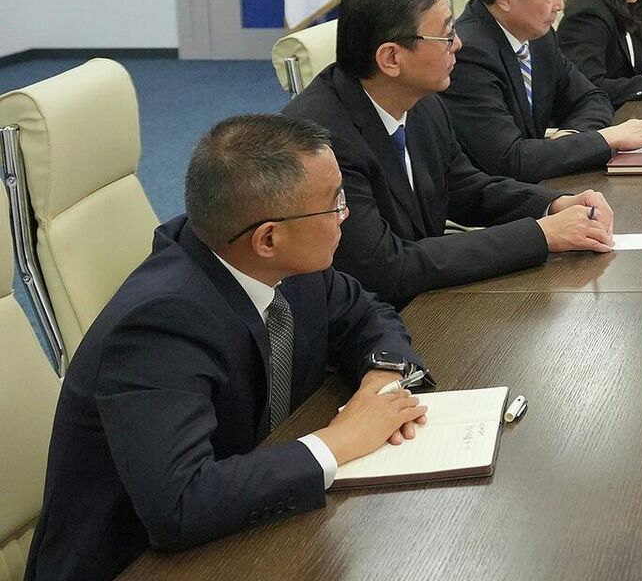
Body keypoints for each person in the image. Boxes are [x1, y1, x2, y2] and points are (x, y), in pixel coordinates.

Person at [26, 115, 430, 581]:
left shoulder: (280, 263)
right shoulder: (159, 325)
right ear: (268, 238)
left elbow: (366, 314)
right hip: (134, 565)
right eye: (333, 203)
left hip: (250, 524)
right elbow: (180, 504)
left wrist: (380, 383)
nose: (346, 213)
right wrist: (339, 441)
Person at [283, 0, 617, 308]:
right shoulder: (320, 141)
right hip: (360, 320)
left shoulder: (423, 102)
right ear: (391, 57)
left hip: (422, 302)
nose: (458, 44)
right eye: (446, 35)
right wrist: (541, 235)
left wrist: (553, 204)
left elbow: (463, 188)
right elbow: (386, 266)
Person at [444, 0, 642, 182]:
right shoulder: (467, 55)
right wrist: (603, 139)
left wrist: (571, 138)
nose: (560, 4)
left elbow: (592, 97)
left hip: (537, 184)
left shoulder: (539, 36)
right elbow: (510, 160)